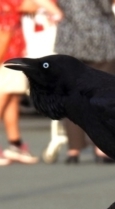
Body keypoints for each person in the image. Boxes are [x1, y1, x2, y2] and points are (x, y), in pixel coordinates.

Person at [54, 0, 115, 164]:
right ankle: (101, 148)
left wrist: (57, 12)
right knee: (102, 98)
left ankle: (74, 149)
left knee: (70, 96)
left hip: (69, 39)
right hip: (102, 39)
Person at [0, 0, 63, 165]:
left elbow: (34, 5)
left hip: (12, 56)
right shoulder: (7, 4)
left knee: (12, 100)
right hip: (5, 57)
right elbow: (5, 32)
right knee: (2, 101)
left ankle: (16, 144)